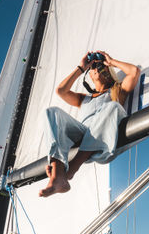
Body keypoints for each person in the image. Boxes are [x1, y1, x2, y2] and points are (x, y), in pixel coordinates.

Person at [39, 51, 140, 197]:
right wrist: (81, 68)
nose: (97, 68)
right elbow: (61, 91)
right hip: (83, 136)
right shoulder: (83, 98)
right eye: (93, 68)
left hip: (102, 144)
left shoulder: (117, 91)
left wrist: (111, 61)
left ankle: (70, 171)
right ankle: (57, 174)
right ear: (90, 76)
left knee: (113, 106)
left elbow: (134, 72)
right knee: (51, 112)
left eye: (100, 66)